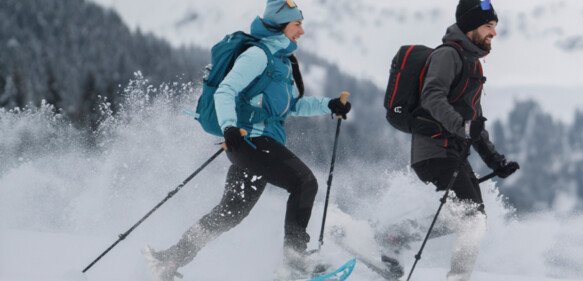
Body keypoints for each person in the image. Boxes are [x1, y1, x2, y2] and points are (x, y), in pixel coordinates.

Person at [144, 0, 352, 280]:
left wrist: (329, 105)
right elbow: (225, 91)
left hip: (254, 144)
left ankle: (170, 259)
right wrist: (230, 128)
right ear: (281, 25)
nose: (302, 30)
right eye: (297, 24)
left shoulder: (282, 60)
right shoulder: (258, 55)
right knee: (304, 183)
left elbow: (291, 107)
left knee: (231, 211)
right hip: (250, 141)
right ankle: (295, 261)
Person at [379, 0, 519, 280]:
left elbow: (475, 119)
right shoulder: (448, 55)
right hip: (432, 151)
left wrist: (494, 159)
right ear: (470, 27)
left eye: (494, 26)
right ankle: (457, 277)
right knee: (471, 219)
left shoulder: (474, 66)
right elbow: (432, 96)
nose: (493, 33)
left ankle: (392, 237)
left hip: (453, 153)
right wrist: (462, 126)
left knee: (473, 217)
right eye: (488, 26)